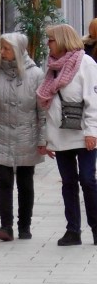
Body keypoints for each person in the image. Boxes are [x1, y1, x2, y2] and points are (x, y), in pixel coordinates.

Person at [0, 32, 46, 241]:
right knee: (4, 182)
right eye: (2, 47)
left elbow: (42, 111)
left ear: (17, 51)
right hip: (0, 135)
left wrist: (43, 139)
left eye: (6, 48)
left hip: (27, 135)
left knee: (26, 183)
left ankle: (25, 226)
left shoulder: (35, 75)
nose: (2, 52)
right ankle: (5, 226)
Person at [36, 23, 97, 246]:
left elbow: (93, 100)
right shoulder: (53, 66)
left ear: (61, 40)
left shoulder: (86, 64)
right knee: (68, 182)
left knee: (88, 179)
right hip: (60, 134)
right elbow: (46, 106)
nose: (47, 44)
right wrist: (46, 139)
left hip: (84, 133)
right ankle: (73, 230)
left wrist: (92, 131)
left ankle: (96, 226)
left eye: (50, 40)